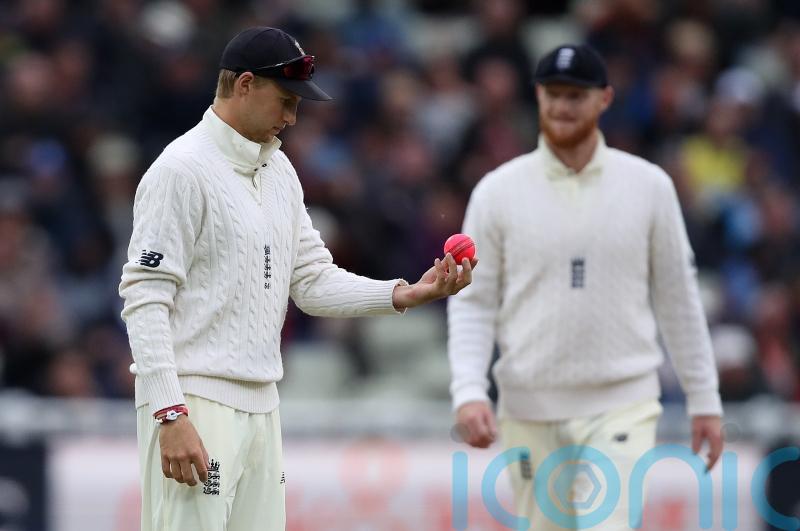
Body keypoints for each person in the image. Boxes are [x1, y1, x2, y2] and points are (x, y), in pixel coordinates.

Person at [119, 27, 477, 531]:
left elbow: (310, 281)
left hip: (263, 404)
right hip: (196, 403)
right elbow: (144, 297)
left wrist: (405, 293)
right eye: (285, 101)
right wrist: (170, 413)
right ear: (244, 85)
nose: (291, 118)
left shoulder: (279, 170)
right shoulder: (179, 170)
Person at [447, 44, 723, 530]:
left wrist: (705, 400)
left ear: (605, 99)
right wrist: (469, 389)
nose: (562, 106)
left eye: (576, 95)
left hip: (622, 401)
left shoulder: (649, 186)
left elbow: (678, 299)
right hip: (529, 405)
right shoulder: (497, 191)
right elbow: (473, 302)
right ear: (536, 96)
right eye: (553, 94)